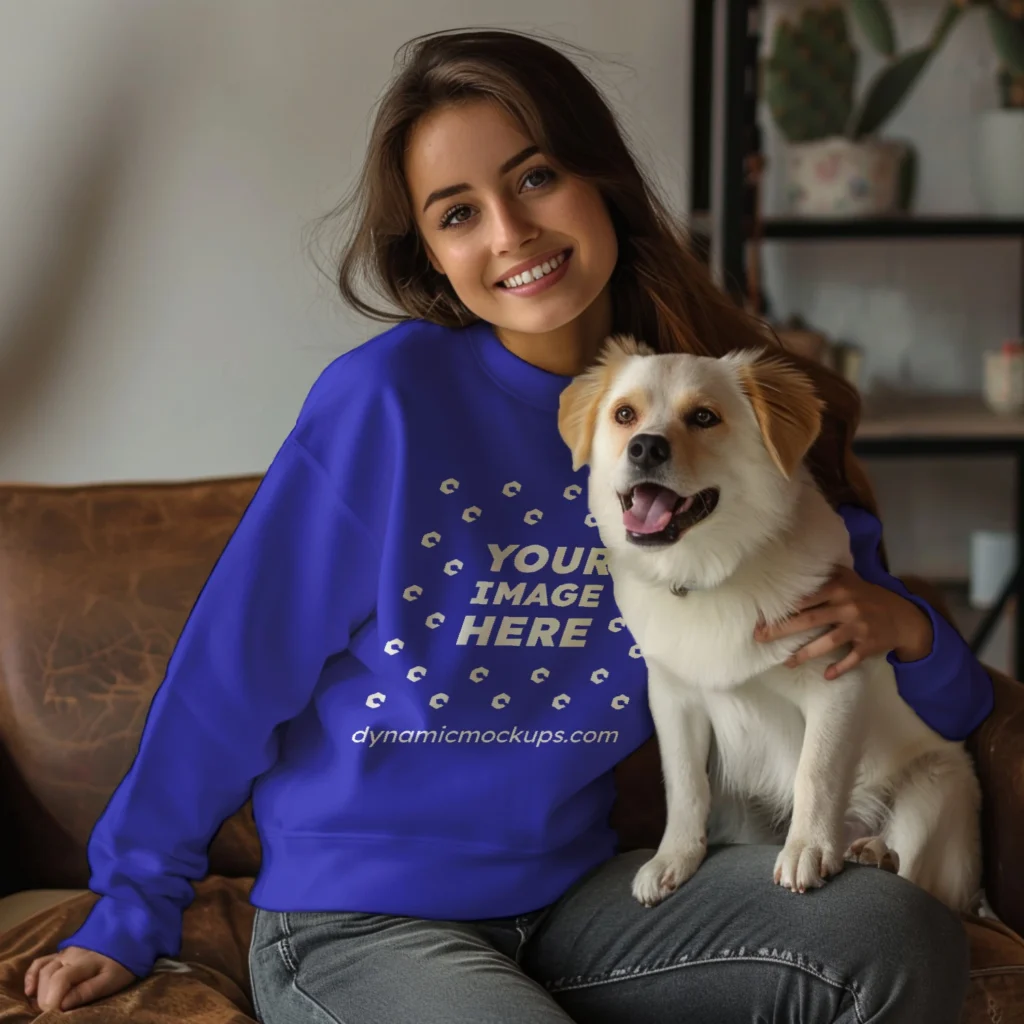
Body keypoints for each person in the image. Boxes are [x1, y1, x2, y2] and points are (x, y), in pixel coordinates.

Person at [24, 27, 993, 1023]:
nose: (509, 233)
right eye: (458, 214)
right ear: (436, 259)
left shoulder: (714, 410)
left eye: (534, 178)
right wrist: (128, 909)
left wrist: (912, 633)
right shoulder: (386, 405)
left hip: (578, 901)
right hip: (360, 919)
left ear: (600, 178)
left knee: (886, 935)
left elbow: (919, 685)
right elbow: (232, 670)